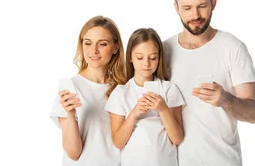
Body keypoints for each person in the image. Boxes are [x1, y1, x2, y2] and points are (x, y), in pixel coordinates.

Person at [163, 0, 255, 166]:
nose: (195, 15)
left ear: (213, 4)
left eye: (202, 6)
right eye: (187, 8)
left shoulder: (232, 48)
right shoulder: (163, 51)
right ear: (176, 8)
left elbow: (253, 114)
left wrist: (227, 99)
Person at [49, 15, 124, 166]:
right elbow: (73, 154)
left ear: (115, 47)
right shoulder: (70, 88)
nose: (93, 51)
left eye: (102, 44)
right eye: (87, 43)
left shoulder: (123, 87)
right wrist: (69, 115)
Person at [105, 28, 184, 166]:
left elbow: (177, 138)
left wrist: (163, 109)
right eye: (140, 57)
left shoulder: (169, 89)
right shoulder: (121, 93)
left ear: (159, 58)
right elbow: (118, 142)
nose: (146, 64)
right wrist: (134, 114)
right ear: (130, 57)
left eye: (152, 58)